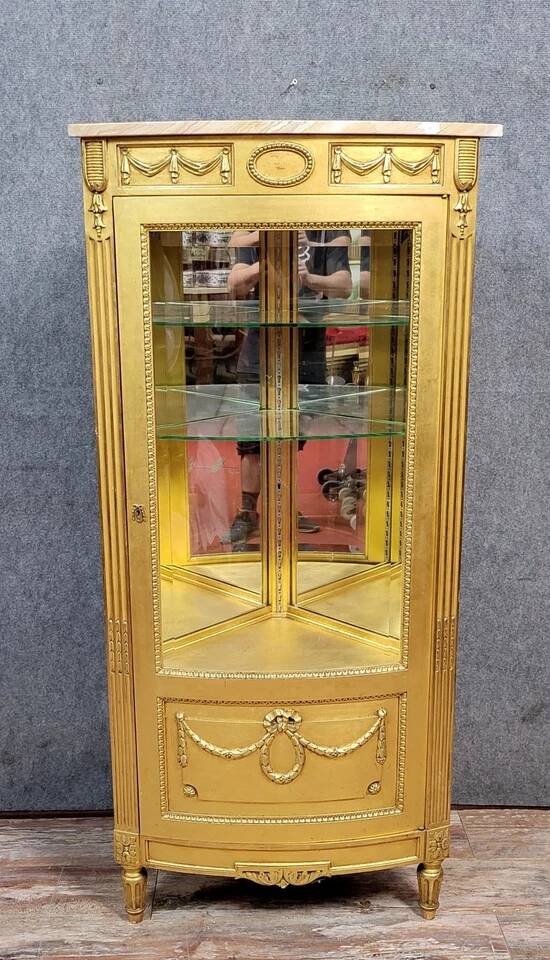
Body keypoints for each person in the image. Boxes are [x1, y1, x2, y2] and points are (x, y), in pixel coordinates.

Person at [226, 229, 352, 546]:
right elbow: (235, 283)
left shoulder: (328, 230)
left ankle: (282, 505)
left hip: (307, 346)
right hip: (259, 346)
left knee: (294, 434)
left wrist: (308, 279)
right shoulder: (254, 231)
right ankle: (248, 512)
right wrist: (266, 260)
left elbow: (344, 286)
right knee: (252, 437)